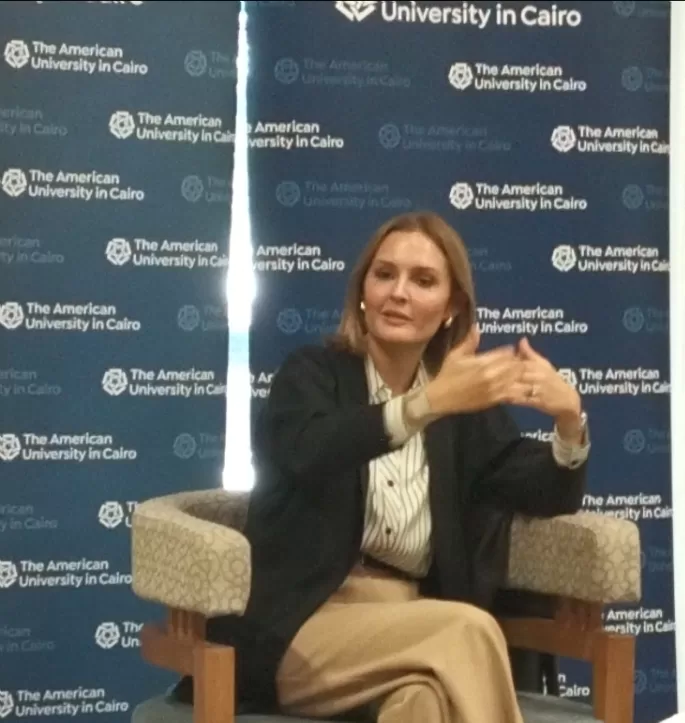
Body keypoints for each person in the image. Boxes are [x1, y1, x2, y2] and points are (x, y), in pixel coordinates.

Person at [201, 210, 590, 722]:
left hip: (409, 618)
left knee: (423, 702)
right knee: (468, 629)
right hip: (300, 623)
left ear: (451, 308)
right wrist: (423, 406)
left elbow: (542, 489)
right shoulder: (311, 376)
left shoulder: (460, 409)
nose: (398, 292)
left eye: (423, 280)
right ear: (363, 292)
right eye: (384, 274)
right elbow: (310, 448)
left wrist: (568, 421)